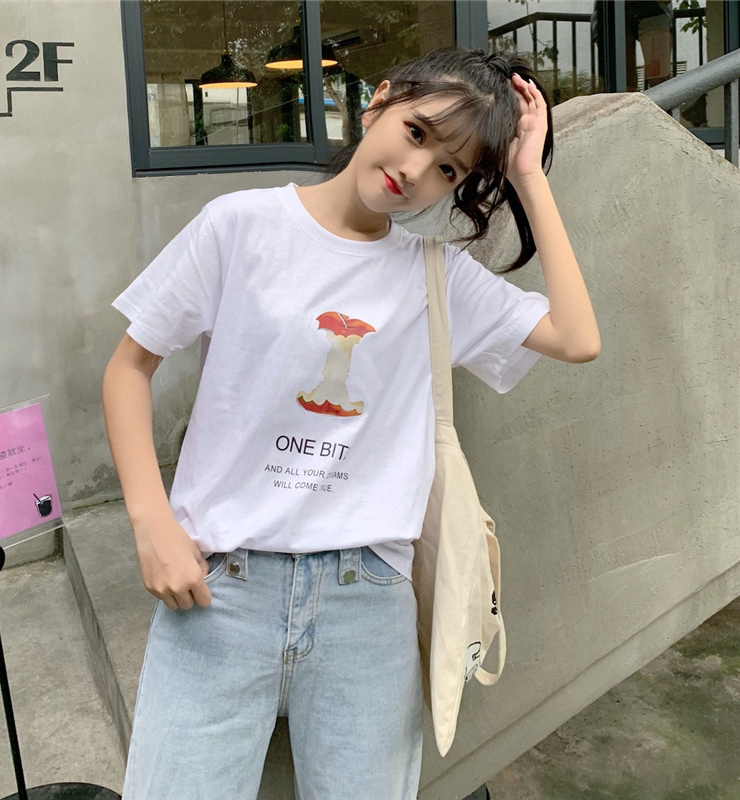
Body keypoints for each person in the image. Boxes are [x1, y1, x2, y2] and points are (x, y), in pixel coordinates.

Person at [102, 47, 600, 800]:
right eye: (418, 131)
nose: (417, 169)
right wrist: (152, 524)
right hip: (219, 592)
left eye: (449, 169)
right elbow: (128, 368)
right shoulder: (240, 226)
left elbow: (577, 338)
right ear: (380, 101)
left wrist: (528, 174)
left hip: (366, 603)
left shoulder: (434, 273)